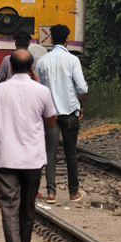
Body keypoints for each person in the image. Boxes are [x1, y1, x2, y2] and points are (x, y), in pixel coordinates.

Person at [0, 49, 57, 242]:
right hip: (33, 161)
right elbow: (52, 123)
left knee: (9, 209)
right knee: (27, 208)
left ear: (10, 67)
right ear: (32, 67)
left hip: (6, 160)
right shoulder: (42, 91)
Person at [34, 24, 88, 204]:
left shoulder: (42, 61)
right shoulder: (72, 60)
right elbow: (82, 87)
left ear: (50, 39)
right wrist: (80, 105)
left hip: (50, 115)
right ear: (67, 40)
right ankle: (73, 193)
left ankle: (51, 193)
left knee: (50, 152)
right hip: (70, 113)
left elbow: (39, 89)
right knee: (71, 152)